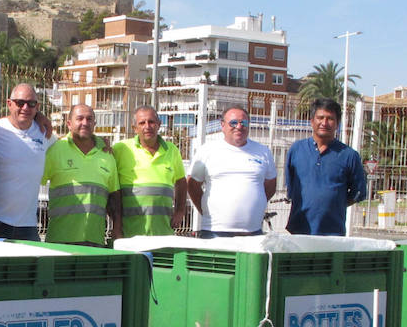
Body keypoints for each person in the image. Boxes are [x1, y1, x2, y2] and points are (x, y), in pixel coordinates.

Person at [0, 83, 54, 241]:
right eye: (20, 103)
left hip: (28, 225)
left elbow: (71, 143)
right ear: (9, 104)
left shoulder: (45, 133)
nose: (25, 108)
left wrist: (101, 143)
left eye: (31, 104)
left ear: (37, 107)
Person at [187, 106, 277, 237]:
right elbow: (192, 185)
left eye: (243, 123)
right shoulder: (207, 151)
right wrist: (206, 210)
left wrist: (254, 202)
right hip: (215, 231)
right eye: (233, 123)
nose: (239, 127)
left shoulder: (263, 151)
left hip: (253, 232)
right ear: (222, 125)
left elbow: (270, 186)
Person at [284, 98, 368, 236]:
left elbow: (358, 192)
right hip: (299, 230)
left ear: (337, 124)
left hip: (333, 233)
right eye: (320, 118)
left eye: (330, 119)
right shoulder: (296, 150)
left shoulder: (349, 155)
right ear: (312, 121)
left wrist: (334, 204)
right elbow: (291, 187)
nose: (324, 123)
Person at [42, 103, 121, 246]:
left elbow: (114, 196)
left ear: (94, 124)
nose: (85, 123)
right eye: (79, 118)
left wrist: (117, 228)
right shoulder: (55, 150)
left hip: (95, 240)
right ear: (69, 124)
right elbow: (33, 183)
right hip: (59, 241)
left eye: (89, 119)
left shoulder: (107, 155)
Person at [111, 106, 187, 237]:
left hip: (163, 233)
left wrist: (180, 211)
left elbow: (181, 182)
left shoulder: (172, 150)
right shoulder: (120, 149)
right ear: (135, 128)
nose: (147, 126)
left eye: (151, 122)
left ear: (159, 124)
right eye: (142, 123)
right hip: (129, 234)